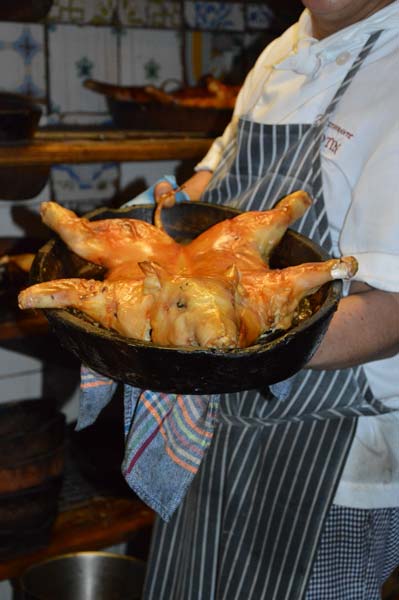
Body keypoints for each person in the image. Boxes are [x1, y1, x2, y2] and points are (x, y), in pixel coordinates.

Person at [138, 1, 399, 598]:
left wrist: (231, 341)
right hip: (213, 421)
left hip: (331, 454)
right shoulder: (283, 52)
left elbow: (393, 312)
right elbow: (214, 179)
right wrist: (160, 217)